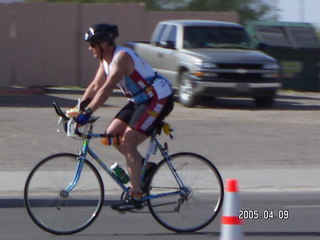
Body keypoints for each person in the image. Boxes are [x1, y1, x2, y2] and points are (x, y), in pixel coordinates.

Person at [76, 23, 174, 211]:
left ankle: (136, 196)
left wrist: (88, 113)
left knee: (128, 141)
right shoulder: (104, 60)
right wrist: (76, 110)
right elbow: (95, 86)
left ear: (104, 44)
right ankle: (145, 169)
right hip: (139, 100)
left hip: (158, 97)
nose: (89, 48)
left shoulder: (121, 58)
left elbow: (106, 88)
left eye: (92, 44)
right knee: (110, 136)